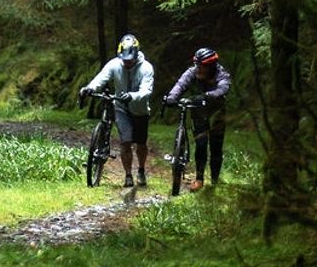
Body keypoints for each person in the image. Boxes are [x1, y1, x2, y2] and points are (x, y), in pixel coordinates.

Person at [80, 34, 155, 187]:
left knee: (141, 144)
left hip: (140, 110)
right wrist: (89, 88)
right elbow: (101, 78)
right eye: (124, 60)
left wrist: (132, 96)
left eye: (130, 60)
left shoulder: (146, 68)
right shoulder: (114, 64)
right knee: (125, 142)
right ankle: (128, 175)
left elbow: (147, 90)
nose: (127, 63)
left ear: (136, 55)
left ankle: (141, 169)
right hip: (120, 108)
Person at [164, 47, 231, 192]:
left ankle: (214, 181)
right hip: (198, 111)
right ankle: (199, 179)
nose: (198, 69)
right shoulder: (192, 71)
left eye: (202, 66)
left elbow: (223, 88)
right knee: (200, 144)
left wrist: (208, 96)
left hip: (216, 112)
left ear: (211, 66)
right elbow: (180, 85)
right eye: (197, 65)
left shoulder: (221, 73)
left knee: (215, 147)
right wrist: (171, 98)